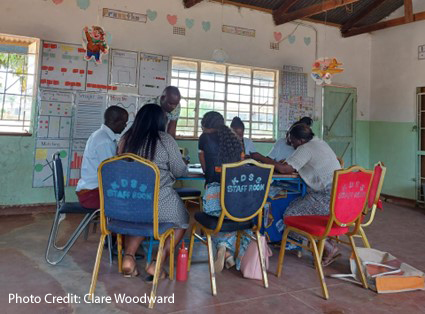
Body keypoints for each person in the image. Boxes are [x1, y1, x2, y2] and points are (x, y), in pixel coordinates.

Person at [117, 103, 189, 279]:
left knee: (140, 220)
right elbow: (180, 171)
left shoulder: (126, 139)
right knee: (182, 221)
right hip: (159, 204)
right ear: (160, 121)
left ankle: (128, 258)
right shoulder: (165, 140)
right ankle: (157, 263)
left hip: (128, 204)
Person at [274, 124, 341, 266]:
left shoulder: (305, 148)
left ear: (300, 141)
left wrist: (260, 158)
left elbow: (285, 169)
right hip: (340, 198)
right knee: (298, 204)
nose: (291, 145)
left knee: (290, 215)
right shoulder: (319, 142)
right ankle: (324, 241)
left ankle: (327, 247)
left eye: (292, 141)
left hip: (326, 197)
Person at [199, 111, 250, 273]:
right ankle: (226, 252)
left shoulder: (204, 138)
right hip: (236, 197)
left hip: (213, 197)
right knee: (229, 218)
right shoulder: (235, 138)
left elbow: (206, 169)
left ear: (205, 126)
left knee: (215, 219)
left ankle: (222, 248)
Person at [76, 106, 128, 209]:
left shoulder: (100, 135)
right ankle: (114, 225)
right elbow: (111, 172)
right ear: (114, 121)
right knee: (132, 199)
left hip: (91, 190)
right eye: (123, 122)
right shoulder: (105, 141)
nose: (125, 126)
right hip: (92, 194)